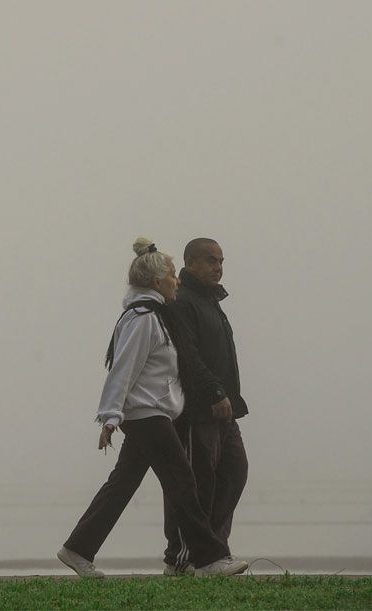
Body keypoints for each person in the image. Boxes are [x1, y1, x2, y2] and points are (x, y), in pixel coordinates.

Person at [57, 237, 248, 578]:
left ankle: (77, 549)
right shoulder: (143, 318)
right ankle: (208, 559)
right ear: (157, 281)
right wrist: (110, 417)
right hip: (147, 415)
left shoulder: (158, 316)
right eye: (174, 274)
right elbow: (123, 369)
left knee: (122, 485)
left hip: (155, 414)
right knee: (183, 483)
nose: (177, 280)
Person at [162, 238, 249, 575]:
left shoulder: (211, 301)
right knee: (196, 484)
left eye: (221, 261)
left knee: (234, 473)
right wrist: (213, 392)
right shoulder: (182, 301)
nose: (218, 267)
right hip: (198, 410)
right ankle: (182, 558)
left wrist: (226, 396)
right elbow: (188, 355)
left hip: (226, 410)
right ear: (190, 262)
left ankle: (213, 551)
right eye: (211, 261)